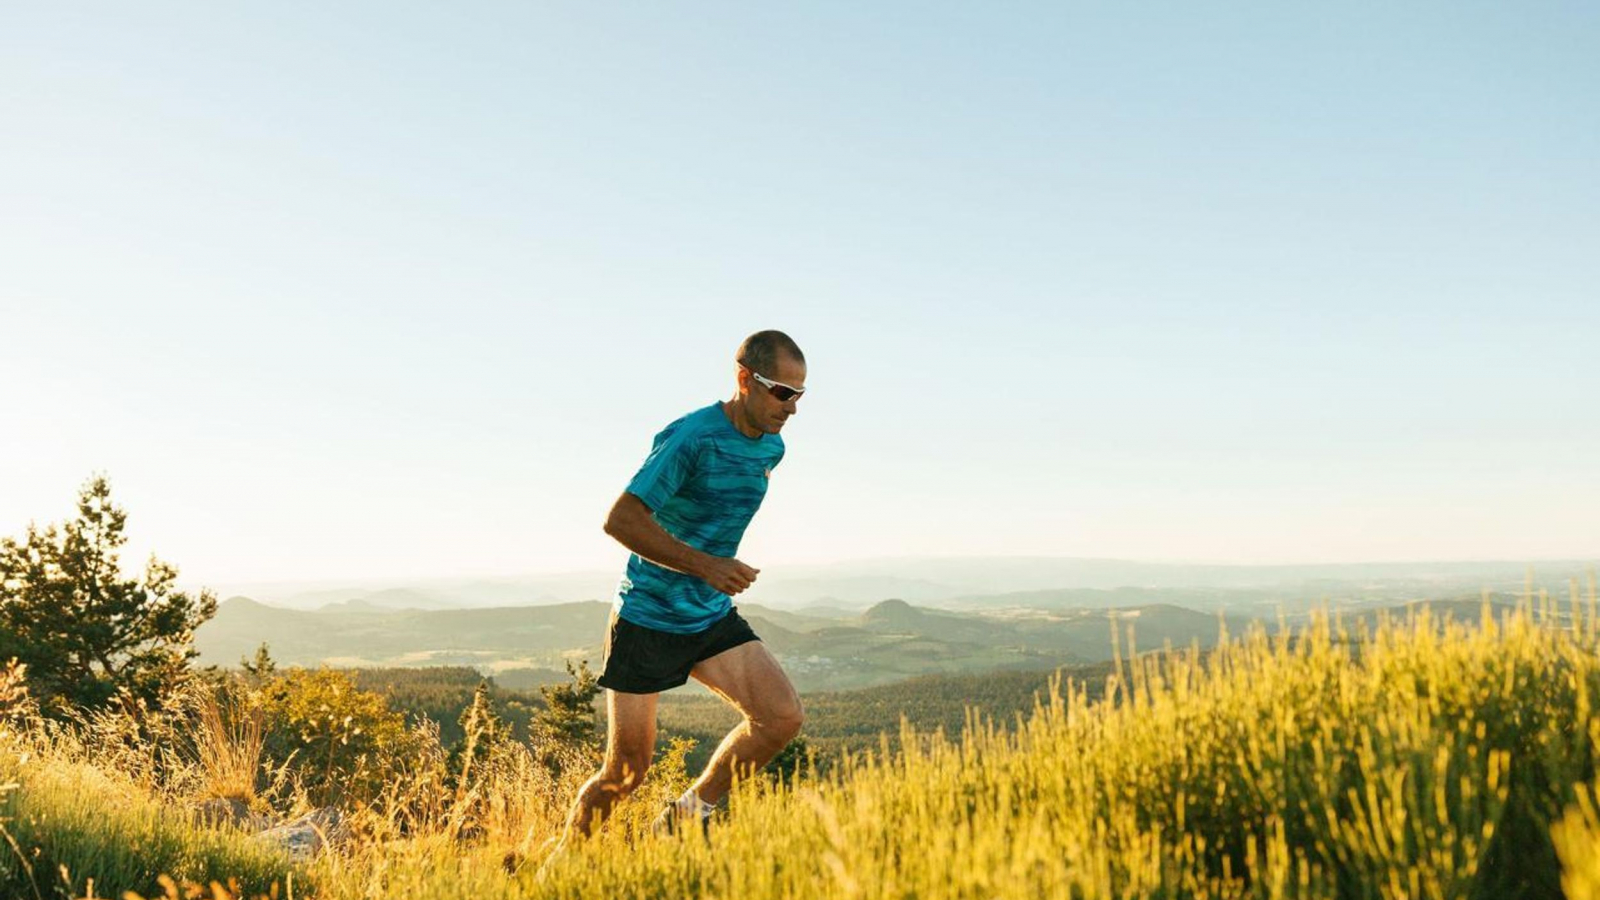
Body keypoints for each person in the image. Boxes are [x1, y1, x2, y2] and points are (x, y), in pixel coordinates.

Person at [552, 329, 808, 855]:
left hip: (708, 616)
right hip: (649, 616)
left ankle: (686, 817)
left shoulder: (773, 447)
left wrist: (711, 578)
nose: (792, 408)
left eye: (799, 395)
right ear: (745, 380)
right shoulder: (691, 437)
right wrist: (705, 565)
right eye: (782, 392)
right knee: (625, 773)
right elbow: (620, 519)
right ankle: (561, 867)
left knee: (781, 718)